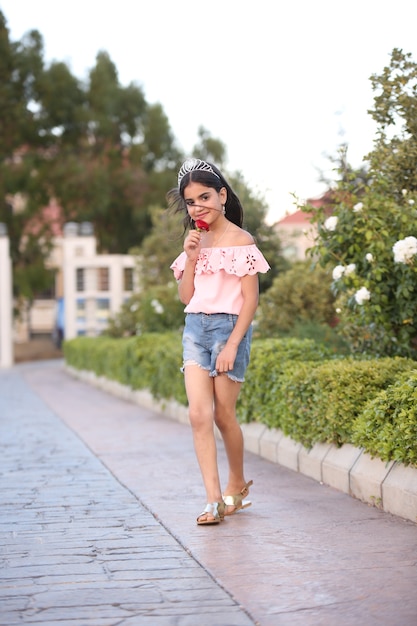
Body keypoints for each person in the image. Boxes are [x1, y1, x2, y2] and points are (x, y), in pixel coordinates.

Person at [168, 158, 270, 525]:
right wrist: (192, 258)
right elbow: (185, 296)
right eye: (191, 201)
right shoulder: (194, 243)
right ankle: (213, 500)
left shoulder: (242, 242)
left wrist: (231, 346)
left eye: (205, 197)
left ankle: (237, 483)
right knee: (199, 415)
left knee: (224, 415)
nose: (199, 207)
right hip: (195, 329)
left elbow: (251, 301)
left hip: (230, 331)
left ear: (222, 195)